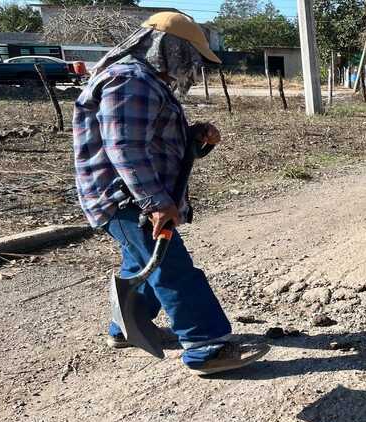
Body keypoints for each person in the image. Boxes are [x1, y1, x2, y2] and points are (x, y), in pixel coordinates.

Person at [73, 12, 269, 375]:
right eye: (190, 58)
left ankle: (123, 330)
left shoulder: (146, 81)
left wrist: (193, 135)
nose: (193, 69)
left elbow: (151, 138)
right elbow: (125, 148)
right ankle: (205, 347)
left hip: (135, 197)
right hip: (127, 200)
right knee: (172, 268)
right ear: (168, 50)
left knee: (141, 263)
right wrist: (155, 201)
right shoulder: (129, 81)